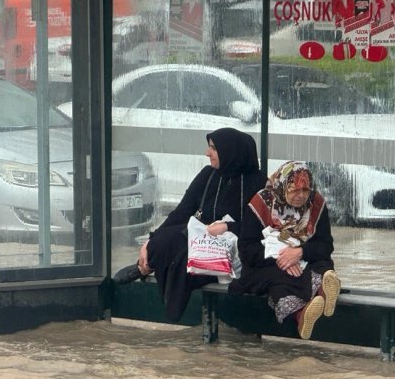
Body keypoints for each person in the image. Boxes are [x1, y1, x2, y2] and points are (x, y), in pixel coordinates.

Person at [114, 128, 268, 322]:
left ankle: (167, 302)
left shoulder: (258, 182)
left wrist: (228, 227)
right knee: (164, 240)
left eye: (213, 148)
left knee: (181, 261)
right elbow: (182, 212)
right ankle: (145, 264)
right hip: (201, 237)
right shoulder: (209, 174)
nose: (207, 153)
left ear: (231, 152)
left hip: (233, 248)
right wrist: (150, 241)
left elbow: (262, 227)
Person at [229, 161, 340, 340]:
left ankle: (324, 291)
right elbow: (247, 249)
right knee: (279, 280)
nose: (301, 196)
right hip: (265, 263)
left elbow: (326, 245)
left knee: (322, 263)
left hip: (303, 258)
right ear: (282, 187)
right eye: (294, 190)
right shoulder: (261, 203)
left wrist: (300, 252)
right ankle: (304, 311)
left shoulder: (316, 203)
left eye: (305, 190)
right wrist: (281, 259)